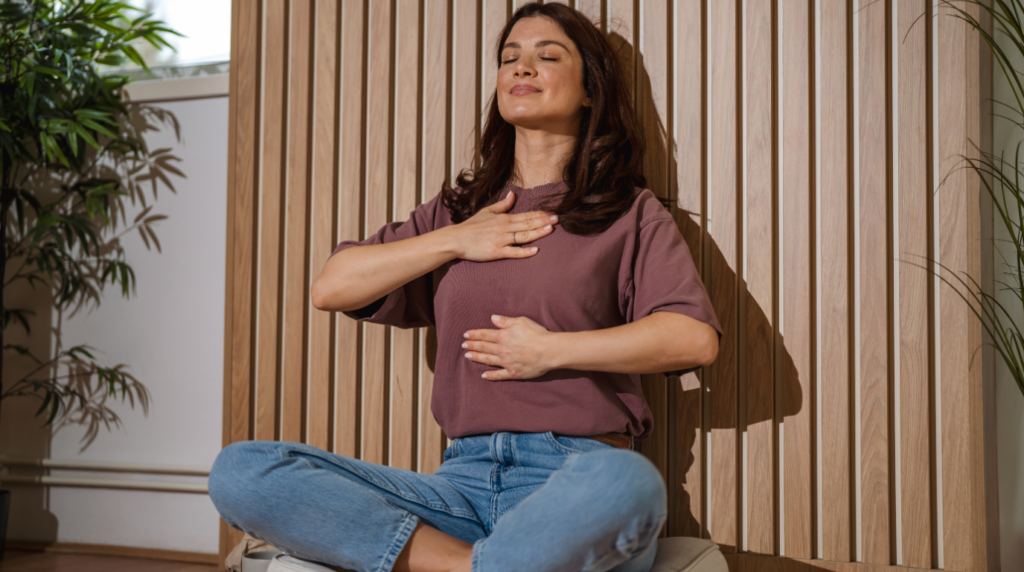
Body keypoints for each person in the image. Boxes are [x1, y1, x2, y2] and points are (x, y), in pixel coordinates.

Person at [208, 3, 722, 572]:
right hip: (459, 486)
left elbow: (692, 338)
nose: (521, 67)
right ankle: (475, 565)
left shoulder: (629, 212)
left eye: (548, 56)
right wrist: (456, 239)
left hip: (572, 474)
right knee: (242, 470)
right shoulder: (458, 213)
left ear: (589, 91)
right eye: (510, 58)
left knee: (627, 482)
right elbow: (333, 287)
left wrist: (550, 350)